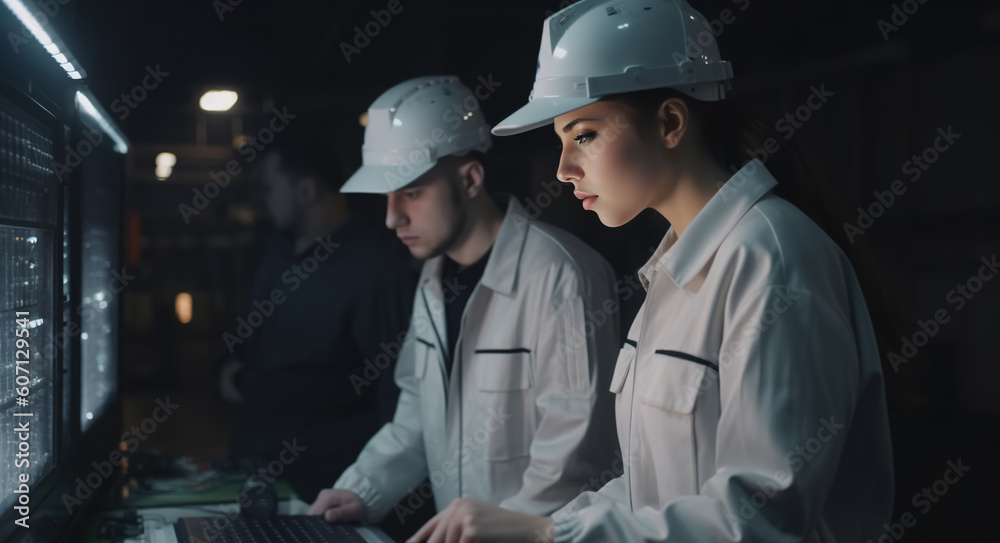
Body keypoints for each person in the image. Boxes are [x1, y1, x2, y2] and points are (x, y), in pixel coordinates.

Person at [409, 1, 894, 542]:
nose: (565, 169)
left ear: (669, 123)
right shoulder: (671, 276)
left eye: (584, 134)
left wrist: (550, 537)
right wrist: (546, 526)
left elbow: (760, 518)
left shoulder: (770, 260)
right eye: (562, 142)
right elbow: (651, 488)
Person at [307, 76, 621, 527]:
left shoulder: (559, 275)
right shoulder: (434, 281)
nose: (393, 217)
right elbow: (415, 419)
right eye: (387, 196)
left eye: (411, 191)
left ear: (470, 179)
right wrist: (360, 490)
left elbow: (575, 460)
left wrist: (503, 529)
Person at [217, 126, 417, 503]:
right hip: (255, 472)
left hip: (322, 487)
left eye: (269, 189)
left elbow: (395, 394)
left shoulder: (371, 268)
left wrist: (371, 492)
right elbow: (247, 331)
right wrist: (230, 364)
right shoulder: (277, 251)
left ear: (306, 191)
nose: (263, 202)